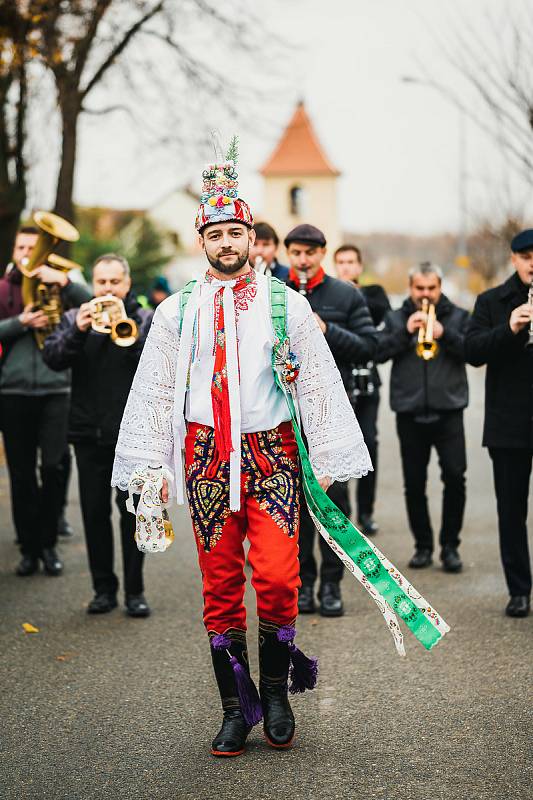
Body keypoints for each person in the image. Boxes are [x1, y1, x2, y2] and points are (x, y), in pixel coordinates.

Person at [111, 153, 371, 756]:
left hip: (273, 456)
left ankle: (276, 695)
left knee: (280, 579)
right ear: (202, 240)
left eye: (237, 232)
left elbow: (319, 384)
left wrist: (329, 455)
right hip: (205, 456)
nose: (227, 243)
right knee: (220, 586)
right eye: (215, 233)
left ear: (252, 239)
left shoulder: (287, 305)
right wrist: (152, 464)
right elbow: (152, 390)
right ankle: (236, 707)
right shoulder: (176, 311)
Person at [42, 254, 153, 616]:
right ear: (93, 283)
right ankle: (103, 589)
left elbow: (156, 367)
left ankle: (135, 592)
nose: (107, 289)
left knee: (133, 513)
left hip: (131, 436)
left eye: (114, 282)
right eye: (101, 282)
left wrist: (127, 330)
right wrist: (78, 330)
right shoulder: (76, 318)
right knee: (93, 513)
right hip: (88, 433)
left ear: (126, 282)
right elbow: (53, 358)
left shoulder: (143, 319)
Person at [286, 226, 377, 617]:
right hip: (288, 412)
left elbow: (370, 347)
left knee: (335, 503)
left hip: (333, 413)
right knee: (294, 504)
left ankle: (332, 585)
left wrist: (328, 329)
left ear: (323, 253)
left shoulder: (346, 294)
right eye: (296, 252)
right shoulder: (275, 293)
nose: (302, 260)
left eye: (309, 252)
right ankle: (303, 584)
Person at [0, 225, 90, 576]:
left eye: (33, 247)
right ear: (13, 250)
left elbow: (93, 304)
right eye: (21, 246)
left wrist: (65, 281)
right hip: (13, 391)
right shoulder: (5, 288)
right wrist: (21, 322)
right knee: (21, 475)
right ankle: (29, 548)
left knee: (53, 468)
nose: (27, 253)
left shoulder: (58, 284)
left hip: (56, 390)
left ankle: (49, 543)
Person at [377, 262, 469, 573]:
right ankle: (423, 546)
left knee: (455, 478)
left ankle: (450, 546)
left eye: (431, 288)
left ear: (440, 287)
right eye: (420, 288)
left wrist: (447, 334)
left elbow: (473, 351)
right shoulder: (395, 317)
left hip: (449, 410)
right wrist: (404, 332)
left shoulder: (457, 316)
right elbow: (377, 352)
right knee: (414, 483)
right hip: (410, 411)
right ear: (410, 287)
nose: (425, 295)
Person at [465, 229, 533, 618]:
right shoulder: (491, 301)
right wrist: (509, 328)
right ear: (513, 260)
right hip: (508, 425)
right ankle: (519, 590)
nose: (532, 262)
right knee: (511, 512)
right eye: (526, 256)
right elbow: (472, 351)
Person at [334, 244, 390, 537]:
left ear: (359, 266)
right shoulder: (332, 296)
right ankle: (345, 512)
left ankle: (367, 512)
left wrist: (352, 294)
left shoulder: (373, 293)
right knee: (340, 449)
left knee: (369, 445)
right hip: (342, 384)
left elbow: (382, 318)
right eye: (340, 262)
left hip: (367, 384)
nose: (345, 267)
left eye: (351, 262)